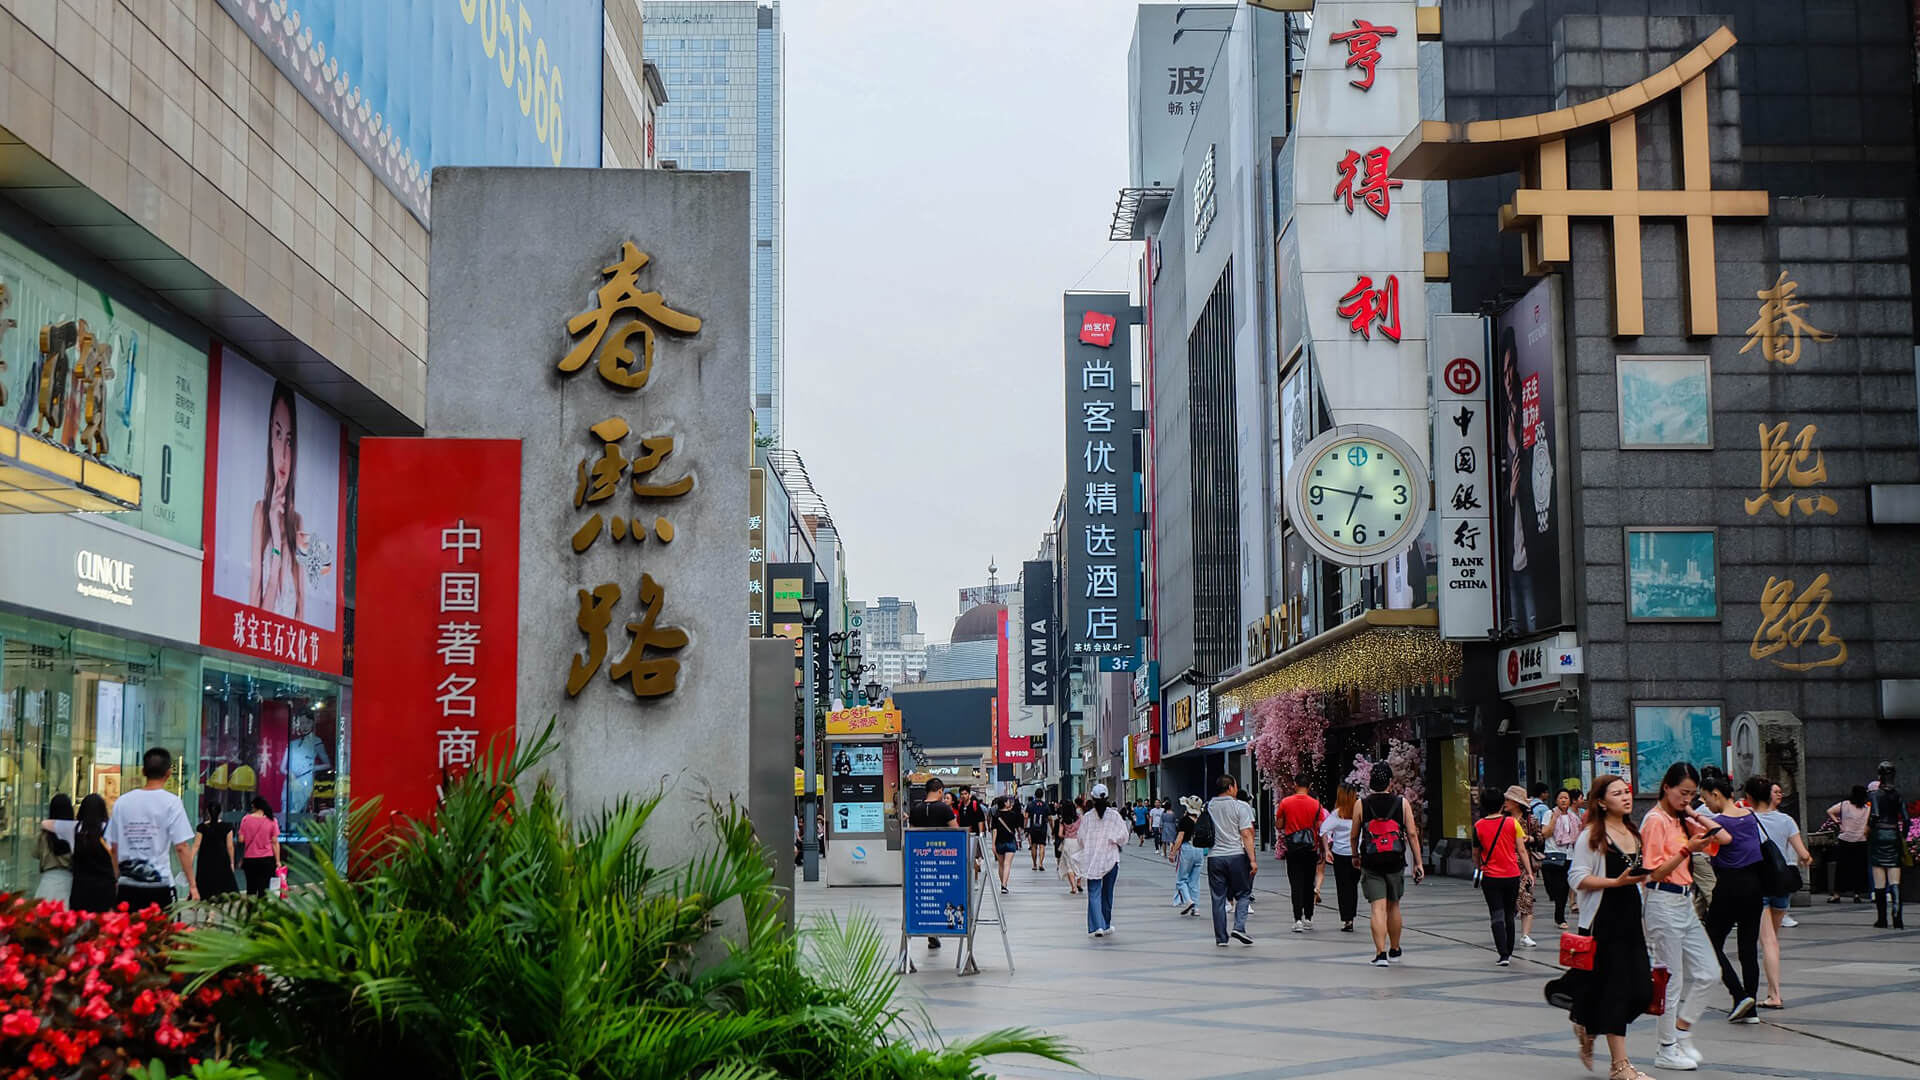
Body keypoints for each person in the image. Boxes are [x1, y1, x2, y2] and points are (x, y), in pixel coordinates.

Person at [1547, 774, 1655, 1080]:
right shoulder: (1592, 836)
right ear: (1601, 802)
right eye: (1617, 793)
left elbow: (1639, 876)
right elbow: (1576, 877)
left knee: (1641, 992)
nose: (1625, 797)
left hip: (1631, 920)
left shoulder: (1633, 832)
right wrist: (1615, 882)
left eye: (1627, 791)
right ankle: (1620, 1066)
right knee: (1617, 992)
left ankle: (1588, 1022)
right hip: (1603, 922)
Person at [1641, 762, 1731, 1071]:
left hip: (1684, 902)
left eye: (1693, 795)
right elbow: (1653, 872)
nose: (1687, 799)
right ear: (1666, 787)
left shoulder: (1681, 818)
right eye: (1683, 793)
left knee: (1709, 972)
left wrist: (1693, 813)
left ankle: (1680, 1030)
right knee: (1672, 980)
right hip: (1662, 901)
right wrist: (1685, 851)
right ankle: (1666, 1047)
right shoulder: (1654, 821)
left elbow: (1724, 838)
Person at [1700, 774, 1764, 1021]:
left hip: (1728, 886)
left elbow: (1718, 842)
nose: (1706, 804)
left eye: (1706, 799)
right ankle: (1752, 1009)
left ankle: (1739, 995)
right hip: (1754, 886)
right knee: (1748, 948)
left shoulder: (1719, 821)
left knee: (1710, 942)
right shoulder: (1750, 816)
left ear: (1716, 794)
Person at [106, 747, 199, 911]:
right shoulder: (172, 802)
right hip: (160, 885)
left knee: (128, 933)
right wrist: (192, 885)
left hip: (127, 886)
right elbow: (181, 847)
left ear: (143, 771)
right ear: (168, 773)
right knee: (161, 933)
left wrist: (115, 879)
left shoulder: (122, 802)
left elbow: (114, 848)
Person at [1353, 762, 1424, 966]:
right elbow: (1412, 834)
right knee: (1393, 906)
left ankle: (1380, 953)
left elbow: (1354, 834)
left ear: (1370, 782)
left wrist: (1354, 855)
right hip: (1395, 860)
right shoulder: (1402, 804)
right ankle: (1395, 949)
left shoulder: (1362, 804)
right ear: (1390, 782)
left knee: (1377, 907)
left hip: (1371, 860)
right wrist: (1418, 863)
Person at [1751, 777, 1812, 1010]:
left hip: (1759, 883)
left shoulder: (1749, 820)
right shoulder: (1787, 820)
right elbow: (1803, 853)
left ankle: (1775, 994)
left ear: (1751, 798)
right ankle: (1770, 991)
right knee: (1772, 940)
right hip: (1782, 884)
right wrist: (1805, 859)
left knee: (1768, 941)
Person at [248, 382, 306, 619]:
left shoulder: (298, 523)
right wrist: (276, 554)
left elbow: (301, 607)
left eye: (290, 441)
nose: (283, 453)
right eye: (278, 435)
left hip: (290, 650)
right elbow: (256, 613)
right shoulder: (260, 513)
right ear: (270, 437)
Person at [1473, 785, 1534, 966]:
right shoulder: (1511, 823)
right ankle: (1509, 950)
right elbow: (1521, 850)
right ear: (1501, 805)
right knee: (1509, 913)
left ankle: (1503, 954)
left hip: (1490, 877)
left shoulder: (1478, 826)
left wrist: (1479, 867)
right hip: (1512, 875)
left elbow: (1476, 853)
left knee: (1496, 914)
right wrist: (1529, 872)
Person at [1205, 774, 1258, 947]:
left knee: (1218, 898)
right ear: (1230, 788)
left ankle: (1221, 938)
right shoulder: (1240, 806)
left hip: (1214, 857)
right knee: (1243, 893)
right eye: (1235, 786)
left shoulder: (1208, 806)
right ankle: (1239, 927)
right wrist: (1252, 860)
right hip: (1236, 855)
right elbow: (1246, 834)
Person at [908, 777, 958, 950]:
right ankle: (939, 929)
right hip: (943, 857)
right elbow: (956, 831)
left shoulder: (916, 809)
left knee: (927, 895)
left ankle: (930, 932)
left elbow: (912, 834)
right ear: (939, 791)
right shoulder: (944, 809)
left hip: (921, 859)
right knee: (942, 893)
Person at [1079, 784, 1130, 937]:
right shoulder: (1114, 816)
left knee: (1094, 892)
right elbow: (1124, 837)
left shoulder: (1087, 817)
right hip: (1111, 859)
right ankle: (1106, 923)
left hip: (1092, 860)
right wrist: (1112, 839)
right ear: (1107, 798)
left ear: (1092, 799)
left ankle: (1097, 926)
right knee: (1107, 893)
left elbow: (1081, 839)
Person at [1277, 779, 1326, 932]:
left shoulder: (1285, 802)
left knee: (1295, 883)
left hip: (1293, 849)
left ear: (1295, 785)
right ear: (1309, 786)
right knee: (1308, 883)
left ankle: (1297, 918)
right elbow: (1320, 827)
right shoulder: (1316, 804)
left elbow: (1279, 824)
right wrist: (1324, 849)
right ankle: (1309, 917)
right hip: (1311, 848)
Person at [1866, 761, 1909, 929]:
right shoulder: (1898, 795)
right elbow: (1906, 819)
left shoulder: (1875, 794)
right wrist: (1901, 837)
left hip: (1879, 835)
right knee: (1895, 880)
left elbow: (1874, 815)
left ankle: (1882, 919)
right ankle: (1897, 917)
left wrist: (1869, 831)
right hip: (1893, 834)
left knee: (1879, 881)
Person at [68, 794, 118, 914]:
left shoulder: (76, 829)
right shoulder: (109, 829)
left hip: (80, 887)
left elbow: (47, 824)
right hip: (105, 888)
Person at [1322, 784, 1360, 932]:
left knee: (1343, 887)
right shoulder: (1359, 811)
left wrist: (1327, 850)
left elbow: (1323, 830)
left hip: (1340, 854)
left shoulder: (1337, 813)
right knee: (1353, 886)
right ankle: (1351, 914)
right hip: (1356, 853)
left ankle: (1347, 918)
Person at [1826, 785, 1872, 903]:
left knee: (1842, 869)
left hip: (1845, 839)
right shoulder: (1867, 808)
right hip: (1860, 840)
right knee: (1859, 869)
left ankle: (1837, 894)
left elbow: (1830, 811)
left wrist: (1838, 822)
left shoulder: (1844, 805)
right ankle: (1857, 894)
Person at [1544, 788, 1581, 929]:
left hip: (1569, 855)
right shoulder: (1549, 813)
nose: (1564, 800)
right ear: (1556, 800)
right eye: (1561, 798)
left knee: (1564, 888)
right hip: (1553, 853)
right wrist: (1554, 819)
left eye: (1566, 798)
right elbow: (1545, 833)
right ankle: (1559, 915)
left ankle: (1560, 917)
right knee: (1555, 887)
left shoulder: (1573, 817)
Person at [191, 798, 240, 900]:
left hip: (205, 858)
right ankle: (213, 909)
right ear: (220, 812)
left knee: (206, 883)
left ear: (207, 812)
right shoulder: (227, 827)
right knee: (220, 883)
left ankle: (208, 909)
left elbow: (196, 845)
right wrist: (231, 862)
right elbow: (230, 846)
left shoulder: (201, 827)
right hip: (221, 858)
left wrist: (189, 860)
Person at [1168, 794, 1208, 917]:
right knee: (1194, 881)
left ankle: (1188, 901)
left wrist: (1173, 852)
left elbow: (1180, 838)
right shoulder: (1202, 820)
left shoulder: (1185, 820)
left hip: (1187, 849)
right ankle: (1195, 908)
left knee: (1181, 879)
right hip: (1200, 850)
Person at [33, 794, 77, 903]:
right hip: (69, 882)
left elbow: (35, 854)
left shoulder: (43, 835)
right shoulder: (75, 834)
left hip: (47, 882)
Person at [238, 796, 283, 898]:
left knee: (251, 889)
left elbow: (241, 839)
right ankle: (262, 911)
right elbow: (275, 842)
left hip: (250, 859)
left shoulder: (245, 819)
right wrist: (278, 861)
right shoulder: (272, 820)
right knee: (264, 889)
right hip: (267, 859)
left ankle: (250, 911)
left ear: (254, 806)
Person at [989, 796, 1024, 893]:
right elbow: (1017, 828)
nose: (1010, 803)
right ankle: (1004, 885)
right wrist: (1020, 837)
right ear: (1005, 803)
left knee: (1001, 864)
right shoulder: (1013, 814)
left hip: (999, 842)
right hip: (1010, 841)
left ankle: (1003, 884)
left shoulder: (996, 816)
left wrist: (993, 844)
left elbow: (994, 830)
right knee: (1007, 864)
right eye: (1008, 801)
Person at [1057, 796, 1084, 894]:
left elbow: (1060, 834)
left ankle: (1073, 887)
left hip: (1068, 842)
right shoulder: (1079, 818)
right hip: (1077, 842)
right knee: (1078, 863)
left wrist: (1066, 835)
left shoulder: (1062, 820)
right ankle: (1079, 882)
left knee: (1069, 865)